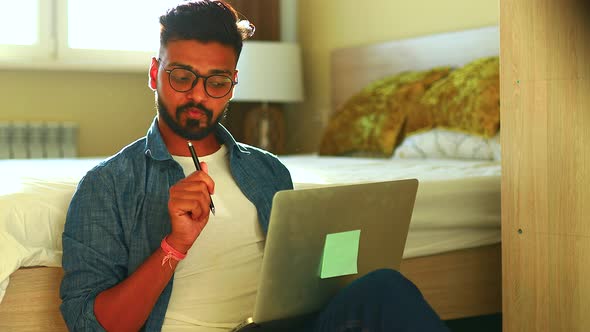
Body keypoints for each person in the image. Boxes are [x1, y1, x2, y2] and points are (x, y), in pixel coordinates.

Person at [59, 1, 450, 331]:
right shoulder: (108, 184)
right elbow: (90, 323)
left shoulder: (268, 171)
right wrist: (174, 245)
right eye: (181, 77)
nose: (198, 94)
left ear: (233, 83)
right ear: (153, 73)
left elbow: (300, 283)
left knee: (383, 287)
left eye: (217, 81)